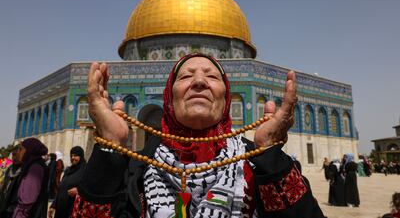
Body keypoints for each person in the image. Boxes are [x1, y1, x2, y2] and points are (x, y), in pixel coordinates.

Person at [73, 53, 325, 217]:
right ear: (168, 97)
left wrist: (270, 154)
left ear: (227, 99)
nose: (199, 82)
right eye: (185, 76)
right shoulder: (136, 169)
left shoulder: (257, 166)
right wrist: (109, 149)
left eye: (212, 76)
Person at [12, 138, 49, 218]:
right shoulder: (30, 165)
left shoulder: (35, 168)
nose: (18, 152)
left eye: (21, 149)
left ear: (29, 150)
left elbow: (27, 200)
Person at [49, 146, 86, 218]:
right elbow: (61, 189)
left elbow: (89, 188)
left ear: (81, 156)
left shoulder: (85, 171)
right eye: (71, 155)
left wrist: (79, 190)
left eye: (75, 155)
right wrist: (53, 205)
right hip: (61, 210)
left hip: (73, 210)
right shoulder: (68, 170)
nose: (73, 158)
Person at [0, 146, 22, 217]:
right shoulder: (10, 168)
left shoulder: (24, 169)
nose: (14, 157)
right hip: (4, 204)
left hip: (14, 208)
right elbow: (4, 185)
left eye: (17, 155)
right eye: (13, 155)